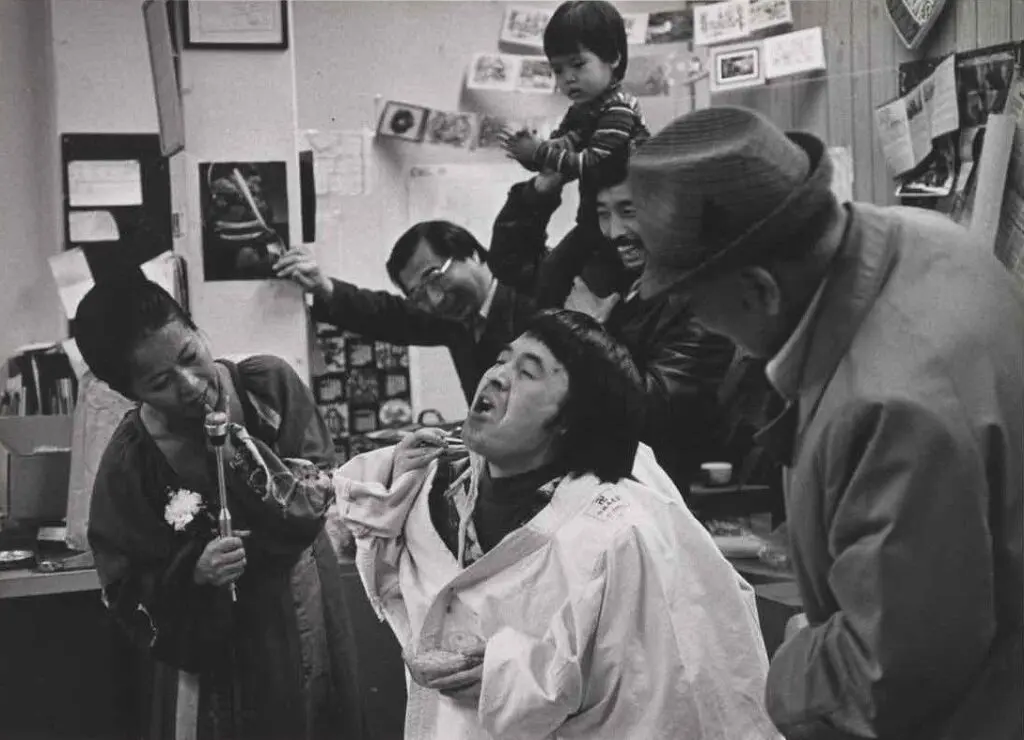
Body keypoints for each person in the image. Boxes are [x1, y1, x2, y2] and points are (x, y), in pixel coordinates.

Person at [630, 106, 1024, 739]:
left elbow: (883, 675)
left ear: (758, 290)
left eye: (690, 305)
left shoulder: (890, 409)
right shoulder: (922, 234)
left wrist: (792, 655)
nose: (696, 325)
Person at [329, 309, 780, 739]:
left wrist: (513, 676)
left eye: (527, 372)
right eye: (502, 359)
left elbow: (661, 700)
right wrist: (396, 479)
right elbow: (384, 565)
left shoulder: (618, 535)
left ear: (571, 420)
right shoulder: (439, 488)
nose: (496, 375)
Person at [76, 273, 365, 740]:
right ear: (131, 394)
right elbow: (122, 583)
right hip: (217, 646)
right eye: (160, 383)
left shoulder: (267, 388)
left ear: (195, 329)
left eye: (190, 356)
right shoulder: (134, 461)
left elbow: (320, 486)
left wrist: (241, 457)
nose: (190, 385)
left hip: (304, 602)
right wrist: (193, 569)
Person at [489, 166, 738, 494]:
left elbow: (655, 410)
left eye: (629, 211)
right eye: (602, 214)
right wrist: (545, 186)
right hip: (581, 482)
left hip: (652, 493)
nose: (615, 231)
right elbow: (514, 265)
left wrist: (588, 334)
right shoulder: (614, 275)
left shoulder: (703, 299)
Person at [273, 220, 535, 404]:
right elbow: (390, 315)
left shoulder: (533, 300)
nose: (435, 299)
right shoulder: (456, 319)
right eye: (419, 295)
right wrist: (325, 287)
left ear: (473, 254)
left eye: (434, 277)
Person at [500, 0, 650, 308]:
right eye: (558, 69)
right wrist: (529, 155)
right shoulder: (580, 112)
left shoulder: (619, 109)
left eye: (578, 64)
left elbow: (593, 163)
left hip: (634, 227)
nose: (567, 78)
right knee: (551, 276)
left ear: (614, 57)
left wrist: (541, 151)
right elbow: (556, 162)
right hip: (592, 222)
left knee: (608, 294)